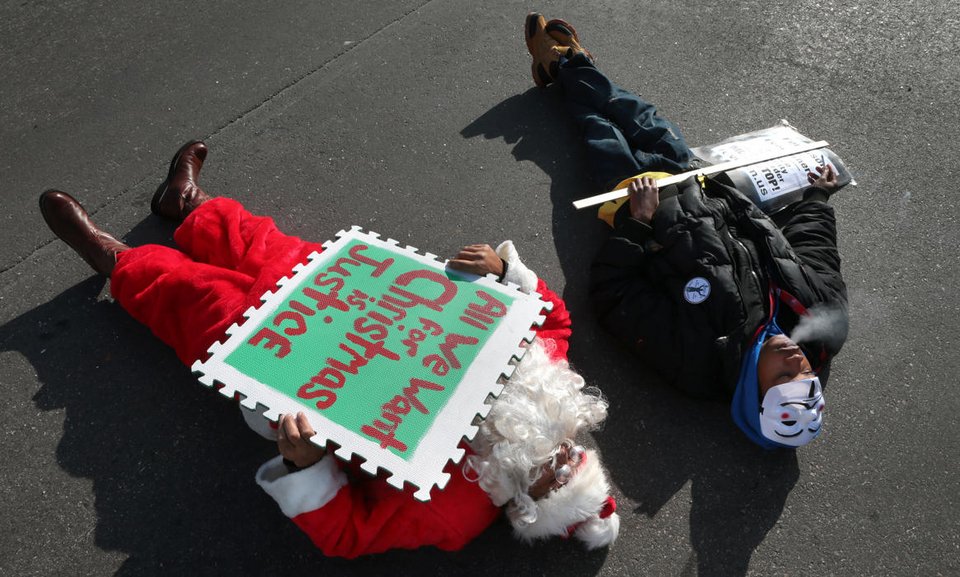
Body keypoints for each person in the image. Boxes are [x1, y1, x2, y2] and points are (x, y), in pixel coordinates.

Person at [38, 141, 619, 558]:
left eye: (553, 479)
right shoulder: (551, 389)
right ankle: (187, 206)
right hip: (350, 300)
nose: (558, 458)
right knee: (265, 246)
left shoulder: (453, 513)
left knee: (201, 302)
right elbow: (552, 317)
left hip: (302, 367)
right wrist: (505, 272)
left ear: (525, 506)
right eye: (573, 455)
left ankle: (114, 259)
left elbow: (350, 535)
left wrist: (307, 466)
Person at [524, 14, 848, 449]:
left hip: (638, 201)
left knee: (601, 130)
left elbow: (614, 297)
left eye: (784, 375)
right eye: (805, 372)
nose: (797, 360)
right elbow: (816, 250)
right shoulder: (819, 322)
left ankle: (567, 63)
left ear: (754, 394)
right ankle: (569, 65)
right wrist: (817, 198)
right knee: (640, 115)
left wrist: (637, 224)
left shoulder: (698, 363)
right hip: (703, 183)